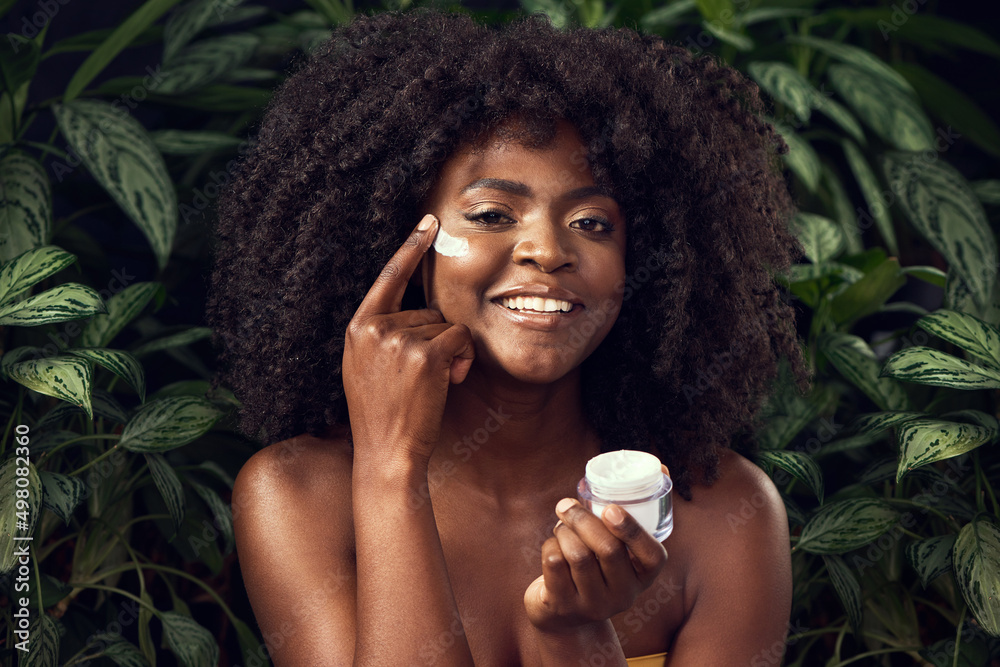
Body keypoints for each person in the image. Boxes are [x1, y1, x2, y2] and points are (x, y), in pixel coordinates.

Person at [207, 8, 811, 665]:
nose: (548, 250)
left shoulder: (724, 517)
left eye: (591, 222)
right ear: (399, 239)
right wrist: (388, 470)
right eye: (492, 213)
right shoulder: (297, 495)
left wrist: (573, 630)